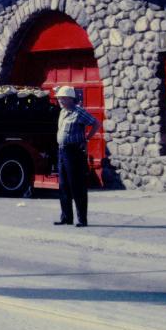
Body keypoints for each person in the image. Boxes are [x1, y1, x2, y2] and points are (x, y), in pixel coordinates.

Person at [53, 86, 100, 227]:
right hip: (62, 150)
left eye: (62, 98)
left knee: (77, 185)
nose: (60, 100)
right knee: (63, 185)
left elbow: (96, 123)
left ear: (70, 98)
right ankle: (66, 217)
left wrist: (87, 139)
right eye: (59, 98)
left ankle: (82, 219)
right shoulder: (62, 112)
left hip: (74, 152)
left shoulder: (78, 112)